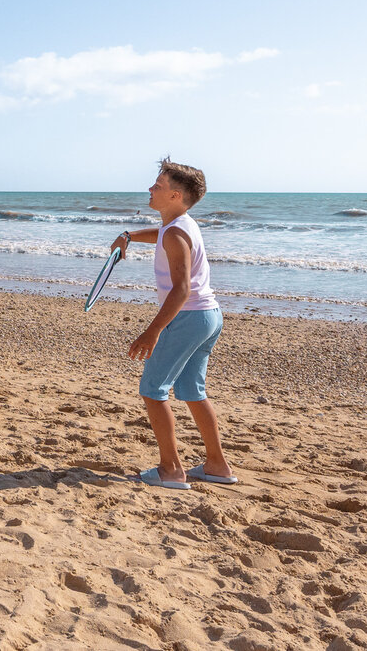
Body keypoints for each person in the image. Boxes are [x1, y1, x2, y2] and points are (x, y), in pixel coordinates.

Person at [110, 159, 235, 490]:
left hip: (189, 317)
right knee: (192, 390)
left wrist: (152, 331)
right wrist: (129, 236)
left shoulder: (176, 231)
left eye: (158, 186)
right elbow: (163, 235)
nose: (151, 189)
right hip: (209, 316)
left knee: (152, 389)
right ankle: (217, 465)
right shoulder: (179, 223)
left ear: (176, 196)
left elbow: (181, 290)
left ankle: (171, 470)